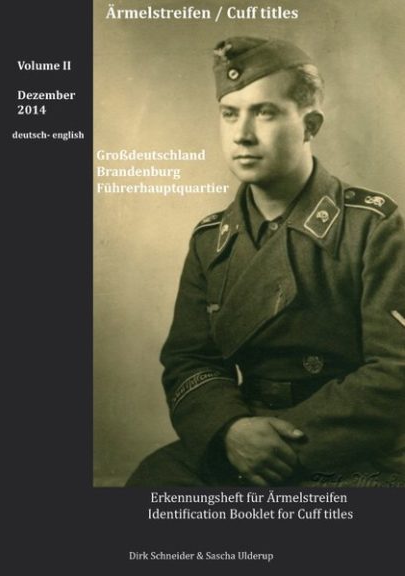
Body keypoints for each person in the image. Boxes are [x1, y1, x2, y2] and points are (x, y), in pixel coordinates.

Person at [126, 36, 405, 487]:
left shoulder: (371, 226)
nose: (242, 134)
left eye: (265, 112)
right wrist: (230, 431)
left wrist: (277, 444)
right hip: (244, 434)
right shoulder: (210, 241)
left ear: (309, 125)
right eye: (229, 114)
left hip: (350, 446)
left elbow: (395, 371)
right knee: (153, 483)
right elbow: (189, 361)